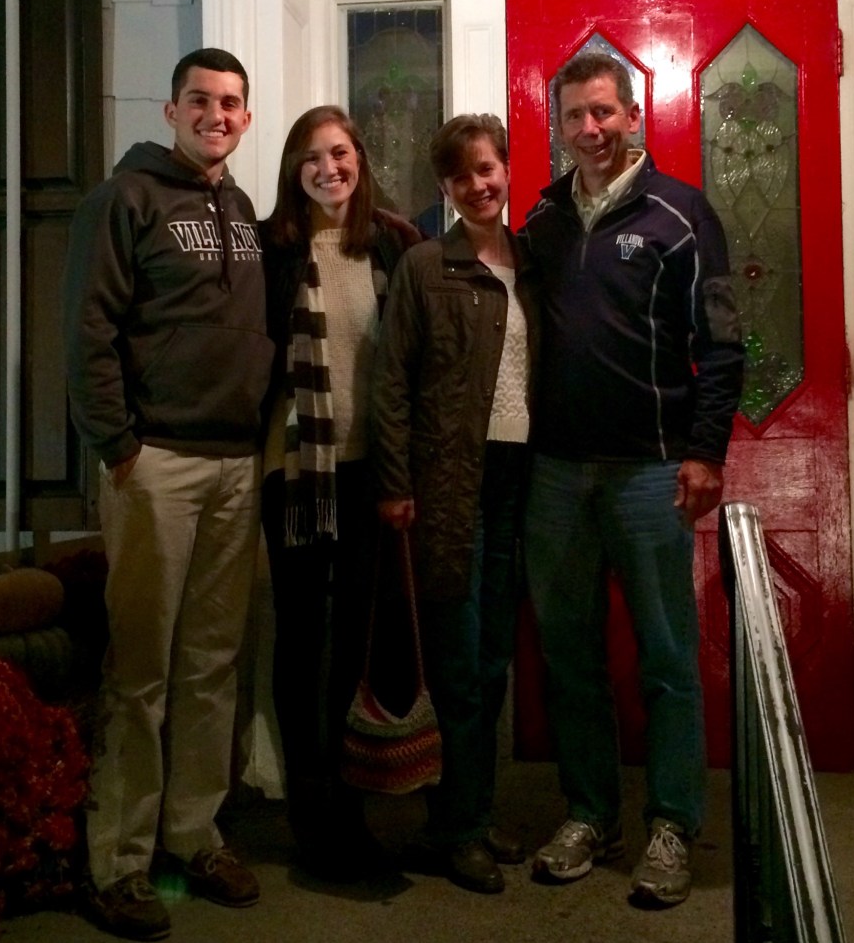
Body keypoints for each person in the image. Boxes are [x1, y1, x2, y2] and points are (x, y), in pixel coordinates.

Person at [520, 52, 744, 908]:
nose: (591, 129)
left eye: (604, 112)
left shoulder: (681, 213)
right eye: (575, 115)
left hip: (650, 471)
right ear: (558, 124)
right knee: (569, 655)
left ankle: (672, 823)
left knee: (666, 656)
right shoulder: (541, 217)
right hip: (555, 472)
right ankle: (589, 813)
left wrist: (705, 450)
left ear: (632, 114)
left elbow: (721, 341)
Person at [63, 47, 273, 941]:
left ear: (245, 118)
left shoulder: (242, 210)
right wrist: (119, 447)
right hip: (156, 465)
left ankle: (192, 834)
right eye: (199, 100)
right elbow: (88, 327)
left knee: (212, 662)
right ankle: (117, 859)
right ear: (171, 109)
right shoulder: (126, 198)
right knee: (141, 667)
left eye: (229, 103)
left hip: (234, 464)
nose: (214, 114)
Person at [371, 113, 538, 894]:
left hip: (517, 482)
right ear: (444, 185)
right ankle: (455, 829)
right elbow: (391, 380)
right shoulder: (424, 266)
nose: (478, 184)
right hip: (446, 485)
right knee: (459, 664)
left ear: (506, 170)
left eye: (488, 168)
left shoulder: (530, 264)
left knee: (494, 658)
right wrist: (394, 483)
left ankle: (468, 810)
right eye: (462, 174)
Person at [259, 104, 421, 879]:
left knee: (356, 644)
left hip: (367, 474)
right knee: (300, 641)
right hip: (294, 474)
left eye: (340, 152)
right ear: (294, 172)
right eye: (311, 157)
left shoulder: (392, 242)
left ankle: (351, 811)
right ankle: (309, 816)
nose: (328, 168)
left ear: (359, 158)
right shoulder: (272, 247)